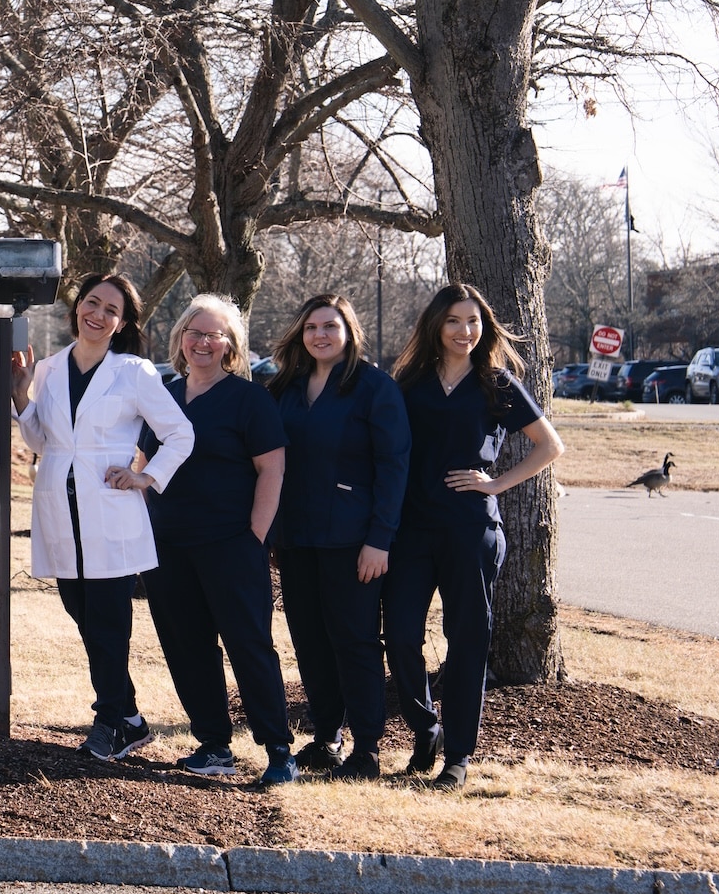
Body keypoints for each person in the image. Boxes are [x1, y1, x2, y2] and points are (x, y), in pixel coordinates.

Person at [387, 283, 564, 791]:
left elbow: (550, 446)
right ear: (435, 326)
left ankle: (458, 756)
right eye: (454, 322)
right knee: (399, 634)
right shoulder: (410, 382)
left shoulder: (497, 382)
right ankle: (427, 728)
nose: (465, 332)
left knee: (467, 640)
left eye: (473, 322)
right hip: (412, 529)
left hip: (471, 528)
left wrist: (496, 483)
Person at [13, 272, 194, 760]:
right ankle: (131, 718)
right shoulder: (48, 369)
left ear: (122, 322)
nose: (98, 314)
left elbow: (180, 434)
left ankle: (110, 720)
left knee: (109, 624)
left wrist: (145, 476)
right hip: (60, 514)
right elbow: (40, 443)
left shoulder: (134, 371)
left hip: (110, 515)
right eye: (92, 303)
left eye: (111, 310)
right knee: (85, 619)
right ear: (77, 308)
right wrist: (20, 395)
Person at [138, 294, 297, 785]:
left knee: (248, 644)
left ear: (231, 345)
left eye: (215, 335)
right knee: (185, 645)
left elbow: (272, 468)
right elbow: (142, 462)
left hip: (231, 542)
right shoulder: (162, 394)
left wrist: (255, 534)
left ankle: (278, 750)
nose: (203, 342)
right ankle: (213, 745)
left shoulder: (249, 398)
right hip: (167, 543)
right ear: (180, 338)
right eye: (195, 332)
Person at [267, 293, 410, 780]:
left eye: (330, 326)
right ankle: (327, 736)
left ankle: (367, 748)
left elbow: (394, 467)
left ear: (348, 332)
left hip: (354, 541)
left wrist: (381, 539)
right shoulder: (285, 387)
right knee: (308, 640)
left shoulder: (374, 388)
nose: (320, 335)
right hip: (295, 537)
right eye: (311, 327)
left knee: (355, 641)